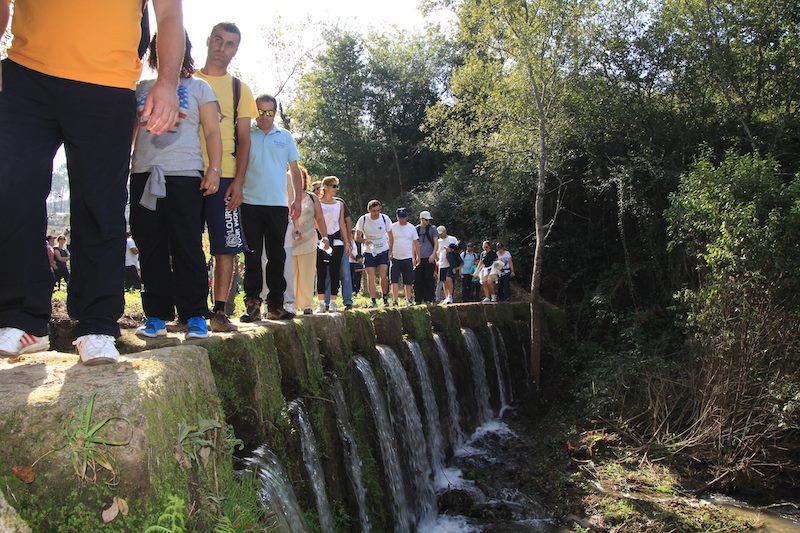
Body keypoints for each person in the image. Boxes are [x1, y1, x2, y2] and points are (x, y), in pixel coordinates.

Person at [0, 0, 183, 363]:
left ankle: (97, 325)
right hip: (25, 74)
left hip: (107, 83)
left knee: (101, 205)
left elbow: (170, 14)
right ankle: (22, 320)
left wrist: (167, 82)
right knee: (11, 192)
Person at [129, 32, 221, 340]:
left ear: (185, 50)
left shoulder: (199, 87)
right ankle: (156, 315)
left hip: (185, 175)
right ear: (154, 52)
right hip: (144, 174)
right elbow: (131, 133)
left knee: (187, 245)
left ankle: (194, 315)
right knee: (150, 246)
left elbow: (212, 132)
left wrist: (214, 169)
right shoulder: (141, 87)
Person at [195, 22, 256, 332]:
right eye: (218, 40)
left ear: (236, 50)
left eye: (230, 43)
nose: (222, 47)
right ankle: (190, 311)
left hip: (227, 177)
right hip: (186, 172)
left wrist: (239, 182)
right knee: (185, 244)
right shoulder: (187, 80)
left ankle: (219, 312)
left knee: (226, 246)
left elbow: (245, 140)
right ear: (208, 41)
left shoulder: (239, 90)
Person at [239, 94, 303, 322]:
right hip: (249, 203)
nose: (264, 117)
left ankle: (276, 305)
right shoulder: (246, 134)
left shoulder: (284, 136)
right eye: (260, 111)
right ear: (254, 112)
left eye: (269, 112)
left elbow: (295, 170)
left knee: (277, 256)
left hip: (277, 205)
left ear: (275, 113)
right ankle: (252, 304)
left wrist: (297, 200)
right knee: (252, 256)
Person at [288, 167, 327, 315]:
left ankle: (306, 305)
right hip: (289, 240)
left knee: (307, 273)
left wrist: (325, 237)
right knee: (290, 274)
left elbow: (320, 218)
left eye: (301, 177)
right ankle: (290, 304)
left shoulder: (312, 197)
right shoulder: (284, 196)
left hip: (309, 240)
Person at [316, 176, 350, 313]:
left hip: (336, 240)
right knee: (321, 271)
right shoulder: (317, 203)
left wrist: (347, 242)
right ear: (325, 187)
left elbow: (342, 223)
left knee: (335, 271)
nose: (336, 189)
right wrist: (323, 236)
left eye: (337, 186)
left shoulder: (339, 204)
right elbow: (316, 221)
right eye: (334, 186)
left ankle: (333, 302)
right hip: (321, 240)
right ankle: (321, 303)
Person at [355, 199, 392, 308]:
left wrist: (390, 250)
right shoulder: (363, 219)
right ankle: (373, 301)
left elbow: (390, 236)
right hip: (369, 251)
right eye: (374, 211)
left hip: (383, 250)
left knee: (383, 275)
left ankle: (385, 298)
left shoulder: (385, 218)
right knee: (371, 276)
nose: (376, 213)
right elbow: (357, 236)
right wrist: (364, 240)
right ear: (369, 210)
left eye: (378, 210)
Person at [389, 208, 419, 306]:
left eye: (404, 217)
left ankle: (408, 299)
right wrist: (389, 252)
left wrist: (417, 256)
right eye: (400, 217)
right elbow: (389, 240)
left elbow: (416, 243)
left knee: (408, 280)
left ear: (407, 217)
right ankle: (395, 299)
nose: (402, 219)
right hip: (395, 257)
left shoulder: (411, 228)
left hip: (408, 257)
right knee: (394, 279)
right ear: (397, 217)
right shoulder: (392, 227)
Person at [414, 210, 438, 304]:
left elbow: (436, 243)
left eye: (429, 220)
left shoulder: (432, 229)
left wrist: (433, 254)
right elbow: (413, 243)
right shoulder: (416, 229)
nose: (428, 222)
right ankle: (418, 299)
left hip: (429, 257)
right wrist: (415, 256)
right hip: (419, 258)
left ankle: (429, 298)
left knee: (429, 278)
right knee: (418, 279)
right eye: (426, 220)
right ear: (421, 219)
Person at [436, 225, 459, 304]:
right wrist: (437, 261)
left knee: (449, 278)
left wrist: (451, 250)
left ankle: (450, 296)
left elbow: (458, 250)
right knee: (444, 281)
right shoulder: (438, 241)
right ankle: (446, 297)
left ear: (445, 231)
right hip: (442, 263)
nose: (440, 235)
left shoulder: (452, 239)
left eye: (441, 233)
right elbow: (436, 252)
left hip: (450, 263)